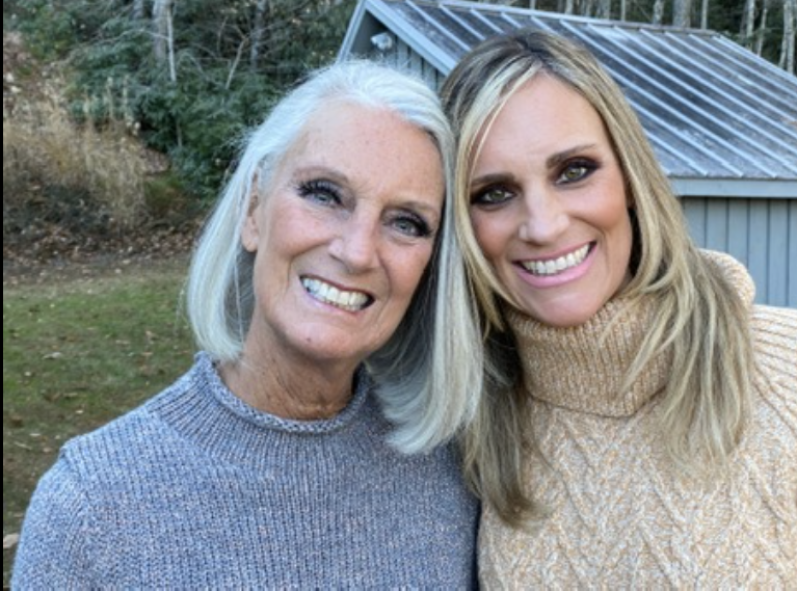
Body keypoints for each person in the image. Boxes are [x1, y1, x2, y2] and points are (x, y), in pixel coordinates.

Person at [12, 60, 482, 588]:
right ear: (253, 207)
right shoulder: (93, 504)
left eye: (406, 223)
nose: (356, 252)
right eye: (324, 194)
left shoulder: (453, 477)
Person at [441, 29, 797, 588]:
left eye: (575, 171)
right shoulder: (464, 420)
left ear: (630, 178)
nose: (544, 225)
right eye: (493, 193)